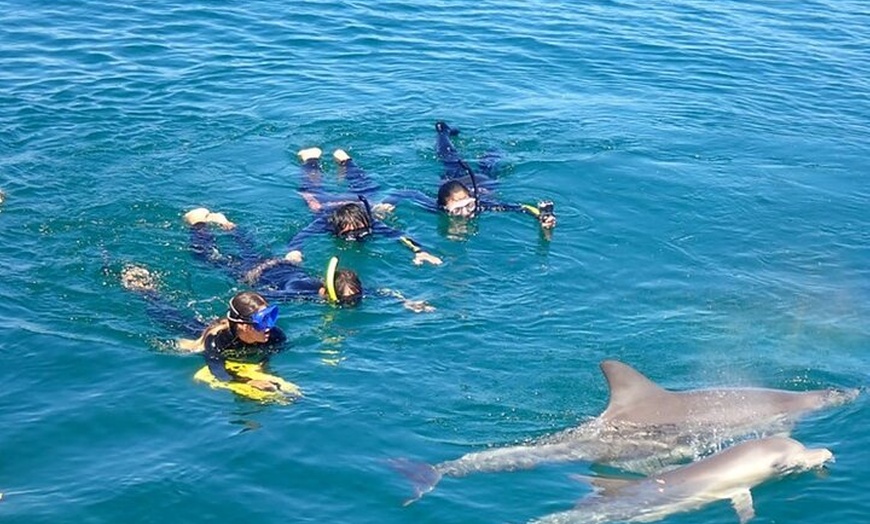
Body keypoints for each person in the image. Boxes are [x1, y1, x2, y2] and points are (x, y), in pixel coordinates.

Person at [184, 207, 434, 312]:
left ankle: (228, 224)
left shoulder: (346, 289)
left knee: (248, 246)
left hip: (285, 265)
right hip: (257, 272)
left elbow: (380, 292)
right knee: (208, 258)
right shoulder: (299, 293)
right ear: (325, 291)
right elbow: (266, 297)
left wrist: (406, 301)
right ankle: (197, 224)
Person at [120, 265, 292, 395]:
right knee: (168, 316)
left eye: (271, 317)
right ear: (243, 325)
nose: (268, 326)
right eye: (262, 322)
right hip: (196, 334)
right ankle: (143, 290)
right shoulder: (218, 342)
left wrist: (263, 369)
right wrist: (248, 382)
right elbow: (219, 373)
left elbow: (268, 354)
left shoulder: (276, 336)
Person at [380, 121, 557, 230]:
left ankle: (494, 148)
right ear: (442, 207)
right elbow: (407, 192)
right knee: (448, 157)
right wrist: (387, 202)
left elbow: (522, 208)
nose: (467, 214)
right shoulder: (433, 206)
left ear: (473, 200)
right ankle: (442, 131)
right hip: (453, 180)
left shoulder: (481, 205)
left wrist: (541, 216)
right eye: (457, 210)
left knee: (490, 162)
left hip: (483, 180)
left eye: (469, 206)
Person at [289, 147, 443, 266]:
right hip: (326, 203)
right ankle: (310, 158)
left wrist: (419, 251)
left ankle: (346, 161)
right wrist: (295, 251)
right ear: (337, 229)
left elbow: (398, 235)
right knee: (311, 192)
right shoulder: (326, 222)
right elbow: (302, 235)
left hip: (358, 201)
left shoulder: (371, 222)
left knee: (364, 185)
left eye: (362, 231)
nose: (357, 236)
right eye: (349, 234)